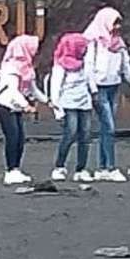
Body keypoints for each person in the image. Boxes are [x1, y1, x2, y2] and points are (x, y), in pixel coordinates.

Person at [83, 6, 130, 183]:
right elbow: (88, 68)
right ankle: (110, 167)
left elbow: (126, 69)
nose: (117, 26)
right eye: (114, 22)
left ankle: (103, 167)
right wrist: (94, 90)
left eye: (119, 22)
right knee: (109, 127)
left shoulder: (119, 44)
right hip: (100, 89)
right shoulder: (94, 42)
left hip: (114, 88)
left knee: (107, 128)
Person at [0, 35, 49, 185]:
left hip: (16, 107)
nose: (35, 51)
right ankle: (10, 171)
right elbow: (12, 91)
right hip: (5, 105)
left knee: (20, 139)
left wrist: (47, 101)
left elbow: (32, 88)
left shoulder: (27, 67)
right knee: (12, 137)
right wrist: (26, 106)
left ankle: (16, 169)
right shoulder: (11, 67)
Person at [48, 33, 96, 183]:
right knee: (70, 134)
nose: (84, 50)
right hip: (68, 104)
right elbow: (55, 88)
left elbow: (90, 79)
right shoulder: (60, 65)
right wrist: (57, 110)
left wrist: (94, 93)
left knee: (86, 136)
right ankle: (59, 167)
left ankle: (81, 169)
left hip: (84, 103)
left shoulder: (85, 62)